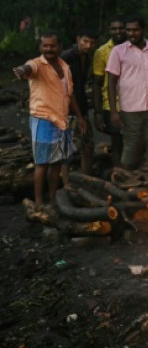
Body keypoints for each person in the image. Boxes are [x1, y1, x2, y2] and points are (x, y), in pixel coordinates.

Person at [13, 32, 87, 210]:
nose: (49, 49)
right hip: (43, 119)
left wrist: (80, 117)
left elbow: (70, 95)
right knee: (42, 163)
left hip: (61, 120)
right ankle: (39, 203)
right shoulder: (37, 64)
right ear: (40, 48)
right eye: (45, 46)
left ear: (59, 47)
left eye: (52, 46)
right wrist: (22, 70)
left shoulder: (65, 67)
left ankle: (54, 200)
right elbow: (27, 68)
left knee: (57, 163)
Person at [106, 17, 148, 169]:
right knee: (132, 144)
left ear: (143, 30)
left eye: (135, 30)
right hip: (130, 108)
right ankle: (125, 181)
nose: (131, 33)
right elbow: (111, 82)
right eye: (128, 30)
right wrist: (113, 111)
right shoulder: (118, 51)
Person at [60, 29, 98, 175]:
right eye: (85, 41)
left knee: (88, 145)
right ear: (78, 39)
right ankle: (66, 183)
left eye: (92, 43)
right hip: (66, 109)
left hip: (81, 106)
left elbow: (80, 87)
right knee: (66, 148)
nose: (88, 45)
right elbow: (67, 89)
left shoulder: (87, 58)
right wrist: (79, 116)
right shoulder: (67, 57)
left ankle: (85, 177)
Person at [92, 18, 126, 166]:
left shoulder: (134, 48)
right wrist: (98, 112)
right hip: (111, 104)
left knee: (135, 141)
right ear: (109, 30)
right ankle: (119, 174)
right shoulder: (102, 52)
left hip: (134, 104)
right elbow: (97, 84)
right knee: (117, 142)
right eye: (114, 29)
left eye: (121, 28)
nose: (118, 32)